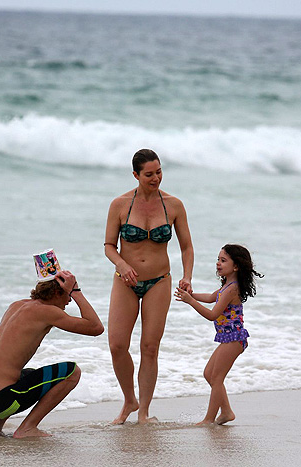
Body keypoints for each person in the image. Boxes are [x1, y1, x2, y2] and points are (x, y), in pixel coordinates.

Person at [104, 148, 194, 424]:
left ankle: (143, 410)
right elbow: (109, 246)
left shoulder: (173, 205)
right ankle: (129, 400)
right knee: (117, 345)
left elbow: (187, 247)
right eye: (149, 174)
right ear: (135, 175)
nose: (156, 178)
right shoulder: (120, 204)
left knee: (149, 347)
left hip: (159, 282)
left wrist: (187, 276)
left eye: (159, 171)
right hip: (126, 281)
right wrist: (121, 263)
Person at [0, 270, 104, 438]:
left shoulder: (16, 305)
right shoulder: (47, 311)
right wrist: (77, 292)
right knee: (72, 372)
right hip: (1, 400)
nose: (69, 301)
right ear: (57, 292)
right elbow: (96, 328)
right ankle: (27, 428)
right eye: (68, 295)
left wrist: (70, 290)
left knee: (29, 374)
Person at [174, 244, 263, 425]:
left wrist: (190, 301)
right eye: (218, 259)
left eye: (223, 260)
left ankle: (209, 419)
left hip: (235, 338)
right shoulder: (227, 286)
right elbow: (210, 297)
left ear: (236, 266)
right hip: (228, 339)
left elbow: (212, 315)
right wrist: (191, 294)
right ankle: (226, 412)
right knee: (209, 374)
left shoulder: (232, 288)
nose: (218, 264)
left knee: (217, 378)